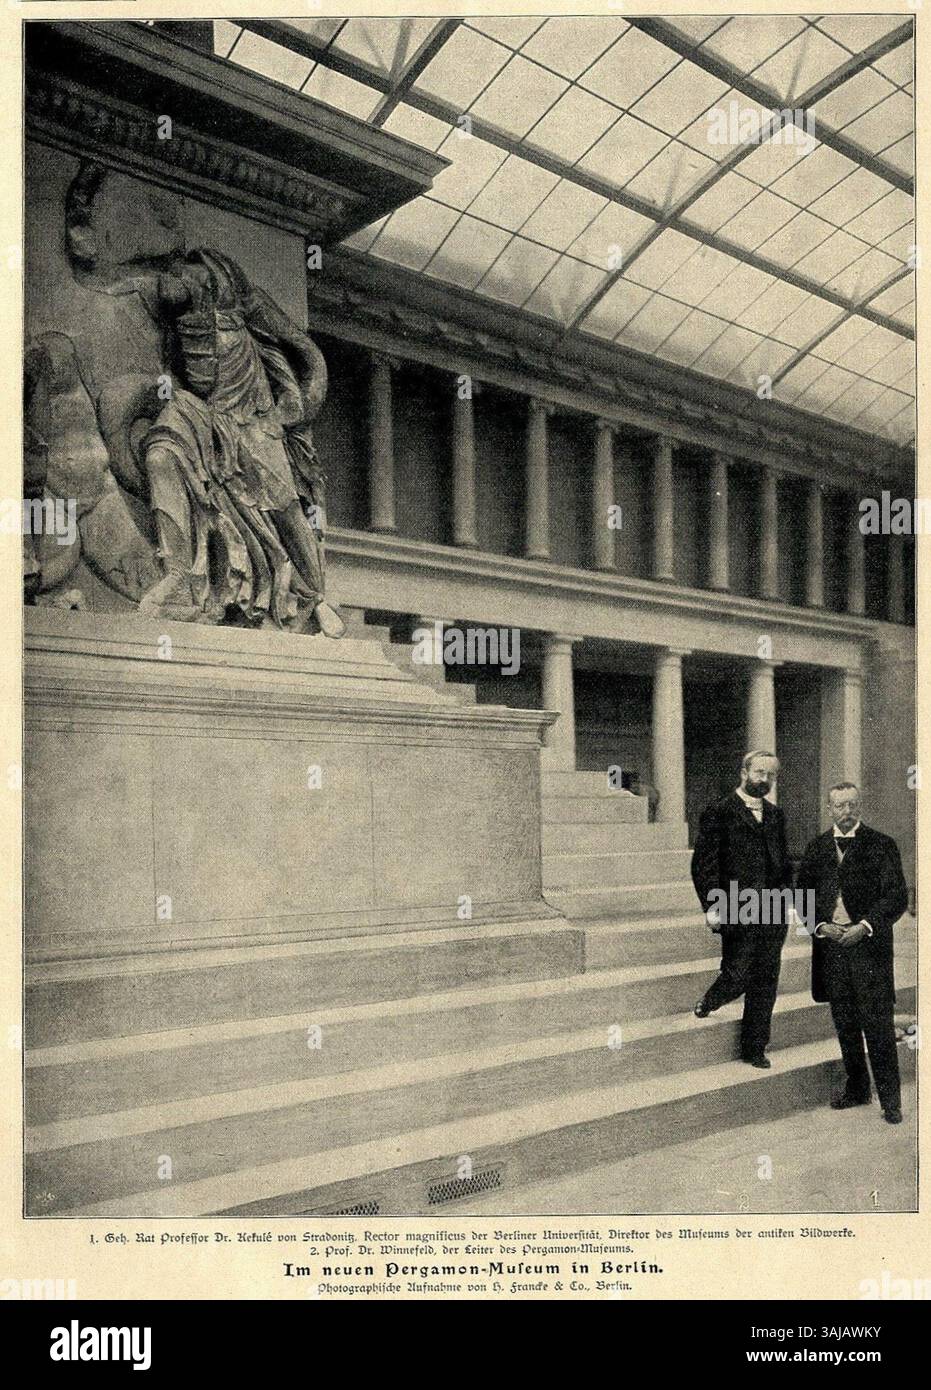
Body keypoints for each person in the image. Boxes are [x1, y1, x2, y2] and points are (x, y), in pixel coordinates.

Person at [796, 783, 908, 1124]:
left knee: (878, 1028)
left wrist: (864, 926)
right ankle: (857, 1089)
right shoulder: (816, 848)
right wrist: (820, 926)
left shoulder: (882, 845)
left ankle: (891, 1102)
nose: (847, 811)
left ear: (860, 807)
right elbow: (802, 897)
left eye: (852, 805)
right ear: (829, 809)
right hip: (831, 951)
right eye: (840, 806)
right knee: (845, 1025)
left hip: (869, 950)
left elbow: (896, 897)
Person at [690, 750, 793, 1068]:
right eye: (759, 772)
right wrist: (712, 906)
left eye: (771, 775)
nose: (765, 780)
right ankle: (710, 1000)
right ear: (744, 772)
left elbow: (783, 861)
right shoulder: (720, 811)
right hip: (737, 905)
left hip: (773, 909)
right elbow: (703, 866)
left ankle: (755, 1048)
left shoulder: (776, 815)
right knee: (738, 973)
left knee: (767, 979)